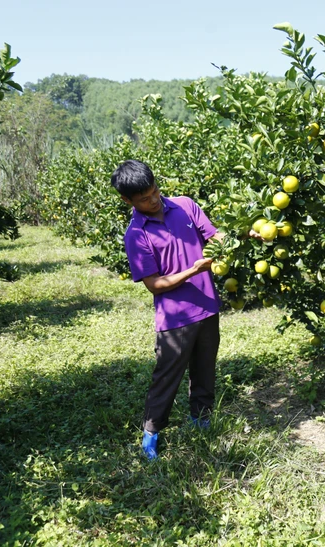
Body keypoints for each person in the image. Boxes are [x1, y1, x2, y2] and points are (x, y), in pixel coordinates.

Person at [110, 159, 222, 460]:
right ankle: (151, 433)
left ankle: (201, 420)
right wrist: (192, 271)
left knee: (205, 370)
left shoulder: (185, 205)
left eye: (154, 191)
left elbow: (215, 237)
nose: (153, 199)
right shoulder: (137, 234)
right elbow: (154, 284)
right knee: (167, 377)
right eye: (144, 199)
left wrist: (241, 238)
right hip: (175, 318)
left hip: (208, 307)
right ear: (127, 201)